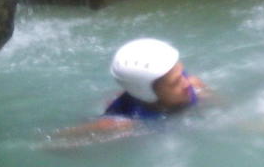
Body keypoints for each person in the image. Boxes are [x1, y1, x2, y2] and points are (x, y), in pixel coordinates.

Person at [51, 38, 206, 142]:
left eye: (182, 73)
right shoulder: (120, 124)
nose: (187, 84)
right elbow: (54, 141)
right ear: (148, 94)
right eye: (175, 83)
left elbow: (224, 109)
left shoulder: (194, 85)